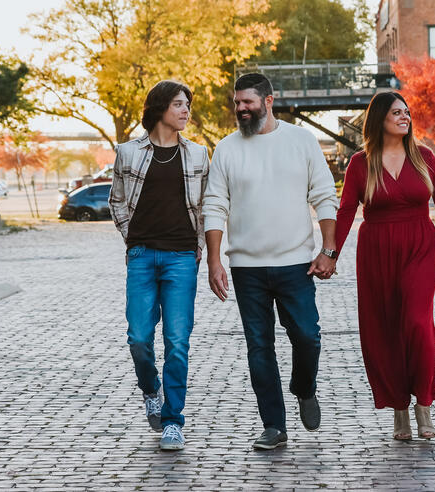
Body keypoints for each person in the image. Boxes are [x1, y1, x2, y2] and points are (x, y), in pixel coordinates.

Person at [203, 73, 339, 450]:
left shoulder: (301, 140)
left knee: (308, 337)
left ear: (268, 100)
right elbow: (214, 205)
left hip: (297, 264)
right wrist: (215, 261)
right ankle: (274, 426)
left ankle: (304, 387)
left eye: (248, 102)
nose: (241, 109)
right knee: (259, 347)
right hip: (246, 268)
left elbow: (325, 196)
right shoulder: (226, 149)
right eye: (237, 103)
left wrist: (328, 250)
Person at [334, 91, 435, 440]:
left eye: (407, 112)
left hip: (420, 246)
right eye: (397, 112)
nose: (405, 117)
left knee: (416, 322)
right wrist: (330, 253)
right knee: (384, 330)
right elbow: (347, 210)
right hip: (376, 250)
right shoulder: (361, 163)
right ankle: (399, 410)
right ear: (379, 119)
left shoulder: (424, 157)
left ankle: (423, 402)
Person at [109, 80, 210, 450]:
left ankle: (173, 421)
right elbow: (116, 201)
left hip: (181, 258)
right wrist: (132, 239)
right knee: (138, 338)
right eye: (179, 104)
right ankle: (151, 389)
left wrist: (198, 247)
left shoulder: (198, 155)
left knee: (177, 342)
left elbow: (205, 210)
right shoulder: (128, 153)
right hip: (141, 257)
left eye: (188, 104)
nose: (186, 111)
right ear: (160, 108)